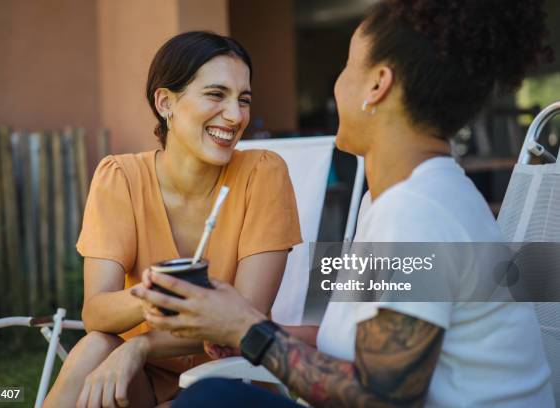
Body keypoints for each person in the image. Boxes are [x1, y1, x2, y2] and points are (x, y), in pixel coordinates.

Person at [131, 1, 555, 406]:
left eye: (346, 67)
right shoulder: (397, 201)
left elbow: (384, 398)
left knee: (210, 401)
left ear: (377, 85)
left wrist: (247, 328)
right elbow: (365, 342)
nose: (336, 86)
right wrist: (245, 326)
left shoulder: (417, 211)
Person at [43, 31, 302, 408]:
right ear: (165, 102)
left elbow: (247, 317)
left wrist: (143, 345)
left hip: (229, 378)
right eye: (216, 95)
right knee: (95, 346)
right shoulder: (120, 178)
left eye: (243, 99)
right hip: (137, 380)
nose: (235, 116)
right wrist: (156, 294)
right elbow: (96, 312)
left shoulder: (263, 174)